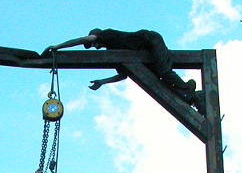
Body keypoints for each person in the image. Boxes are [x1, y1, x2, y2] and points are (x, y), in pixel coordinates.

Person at [42, 28, 204, 112]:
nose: (95, 47)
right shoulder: (115, 54)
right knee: (160, 79)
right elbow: (123, 75)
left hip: (151, 39)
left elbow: (85, 39)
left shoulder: (106, 35)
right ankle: (188, 96)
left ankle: (187, 90)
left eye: (94, 44)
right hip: (146, 51)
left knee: (164, 71)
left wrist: (58, 46)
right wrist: (102, 82)